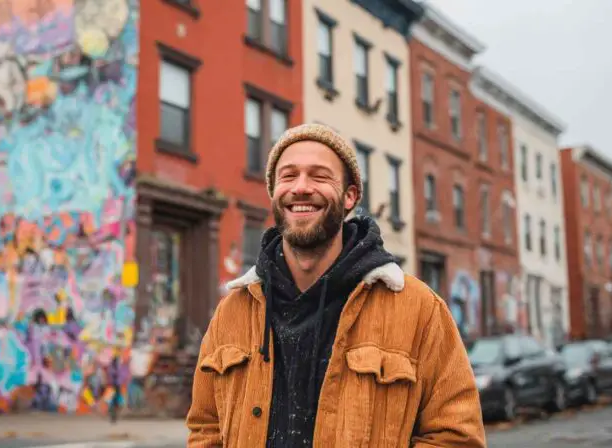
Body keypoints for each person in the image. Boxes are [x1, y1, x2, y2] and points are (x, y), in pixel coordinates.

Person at [186, 123, 485, 447]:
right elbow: (205, 428)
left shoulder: (419, 310)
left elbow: (456, 438)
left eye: (319, 176)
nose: (301, 187)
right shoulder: (232, 313)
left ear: (350, 196)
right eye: (288, 176)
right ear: (274, 193)